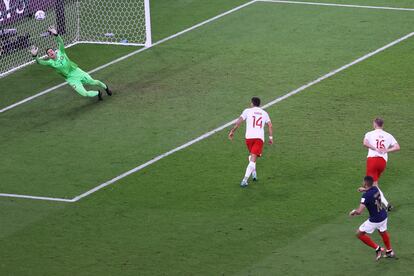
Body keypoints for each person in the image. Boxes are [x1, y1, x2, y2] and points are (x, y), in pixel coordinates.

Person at [30, 26, 112, 101]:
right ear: (48, 56)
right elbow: (39, 62)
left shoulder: (61, 52)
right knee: (84, 94)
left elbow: (60, 43)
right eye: (48, 53)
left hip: (77, 71)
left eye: (51, 50)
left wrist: (56, 34)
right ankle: (98, 93)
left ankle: (106, 88)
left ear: (54, 52)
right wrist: (34, 56)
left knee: (93, 82)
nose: (50, 52)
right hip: (71, 79)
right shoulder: (50, 63)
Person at [228, 97, 273, 187]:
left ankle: (254, 173)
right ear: (259, 104)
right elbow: (270, 125)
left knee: (252, 155)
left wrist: (232, 131)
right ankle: (244, 180)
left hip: (249, 138)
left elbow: (239, 122)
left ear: (252, 103)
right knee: (253, 158)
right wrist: (271, 137)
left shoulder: (247, 111)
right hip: (259, 138)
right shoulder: (264, 113)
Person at [350, 176, 395, 261]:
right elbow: (371, 190)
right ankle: (389, 251)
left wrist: (353, 212)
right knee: (382, 231)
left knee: (359, 234)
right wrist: (364, 189)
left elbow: (359, 211)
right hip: (383, 215)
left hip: (375, 220)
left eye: (363, 182)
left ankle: (377, 248)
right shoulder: (376, 189)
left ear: (365, 184)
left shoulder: (365, 196)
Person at [359, 118, 400, 210]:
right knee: (374, 183)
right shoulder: (388, 135)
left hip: (373, 160)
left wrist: (374, 148)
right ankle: (377, 202)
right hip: (382, 163)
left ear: (374, 124)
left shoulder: (369, 133)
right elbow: (397, 147)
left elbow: (365, 143)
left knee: (373, 184)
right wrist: (386, 150)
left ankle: (386, 204)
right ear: (382, 125)